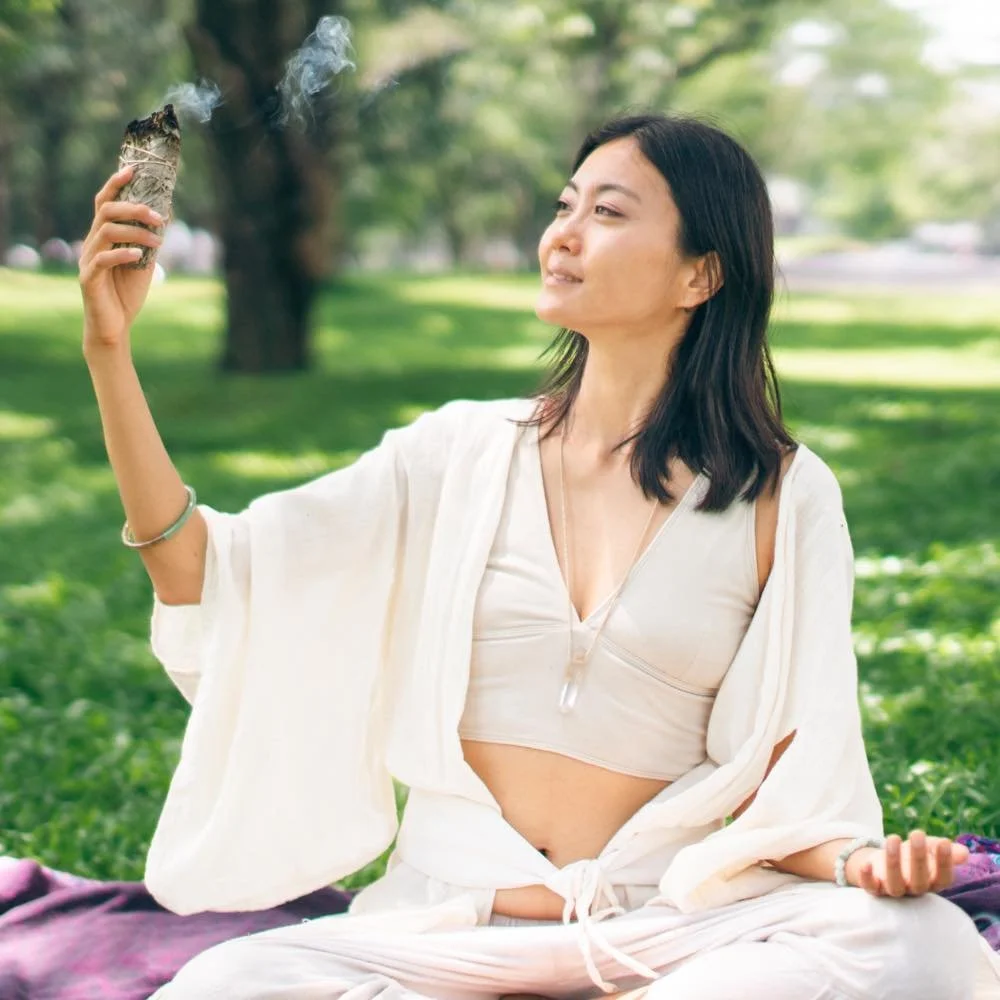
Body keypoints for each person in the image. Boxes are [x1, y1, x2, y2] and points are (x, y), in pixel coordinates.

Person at [78, 113, 985, 1000]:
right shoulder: (457, 453)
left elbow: (796, 786)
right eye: (565, 205)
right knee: (227, 982)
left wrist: (870, 862)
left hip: (659, 939)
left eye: (610, 212)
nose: (564, 235)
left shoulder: (782, 494)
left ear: (701, 274)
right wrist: (109, 349)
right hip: (447, 933)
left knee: (914, 942)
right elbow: (204, 573)